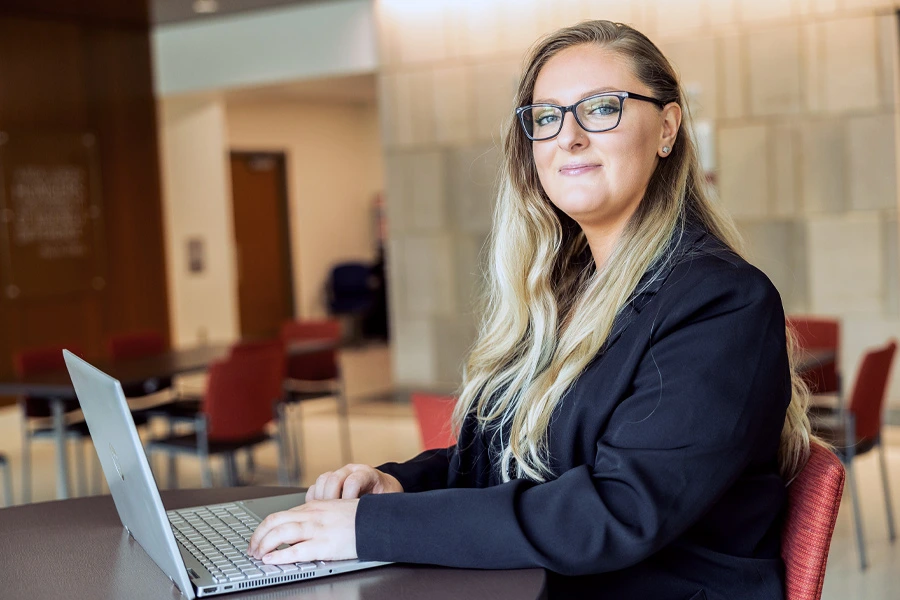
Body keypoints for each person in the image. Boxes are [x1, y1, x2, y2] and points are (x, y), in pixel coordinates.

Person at [249, 20, 812, 600]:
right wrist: (397, 487)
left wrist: (370, 532)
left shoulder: (721, 303)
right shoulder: (562, 288)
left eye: (601, 108)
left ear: (667, 128)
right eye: (547, 117)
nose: (568, 136)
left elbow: (616, 511)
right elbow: (507, 458)